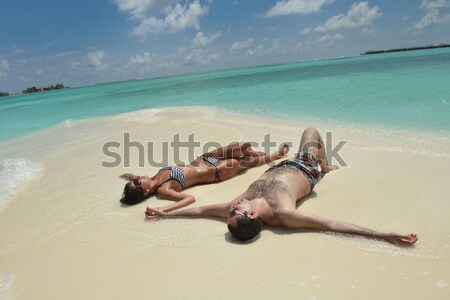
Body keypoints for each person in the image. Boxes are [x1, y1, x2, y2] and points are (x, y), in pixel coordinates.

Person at [145, 127, 418, 246]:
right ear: (250, 216)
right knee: (311, 132)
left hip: (277, 167)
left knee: (238, 151)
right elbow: (333, 225)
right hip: (304, 167)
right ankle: (324, 168)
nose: (232, 206)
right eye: (235, 211)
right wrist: (384, 235)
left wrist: (165, 214)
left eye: (232, 211)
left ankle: (326, 166)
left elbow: (201, 210)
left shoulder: (237, 208)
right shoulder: (283, 214)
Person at [120, 141, 290, 211]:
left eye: (136, 180)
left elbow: (148, 180)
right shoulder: (164, 190)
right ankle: (276, 155)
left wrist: (131, 176)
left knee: (243, 146)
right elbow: (189, 199)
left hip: (205, 158)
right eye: (137, 182)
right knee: (247, 161)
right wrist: (163, 209)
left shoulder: (153, 178)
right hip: (216, 171)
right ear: (145, 192)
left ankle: (254, 154)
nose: (139, 179)